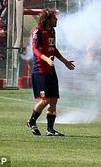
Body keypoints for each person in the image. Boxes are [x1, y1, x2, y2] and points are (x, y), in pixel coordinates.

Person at [27, 8, 75, 136]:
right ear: (48, 19)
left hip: (50, 70)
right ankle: (31, 122)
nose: (57, 19)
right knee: (46, 99)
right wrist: (46, 59)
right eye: (54, 18)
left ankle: (50, 129)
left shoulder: (52, 31)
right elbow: (35, 50)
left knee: (53, 99)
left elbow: (53, 49)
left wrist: (65, 61)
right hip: (40, 70)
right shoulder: (37, 31)